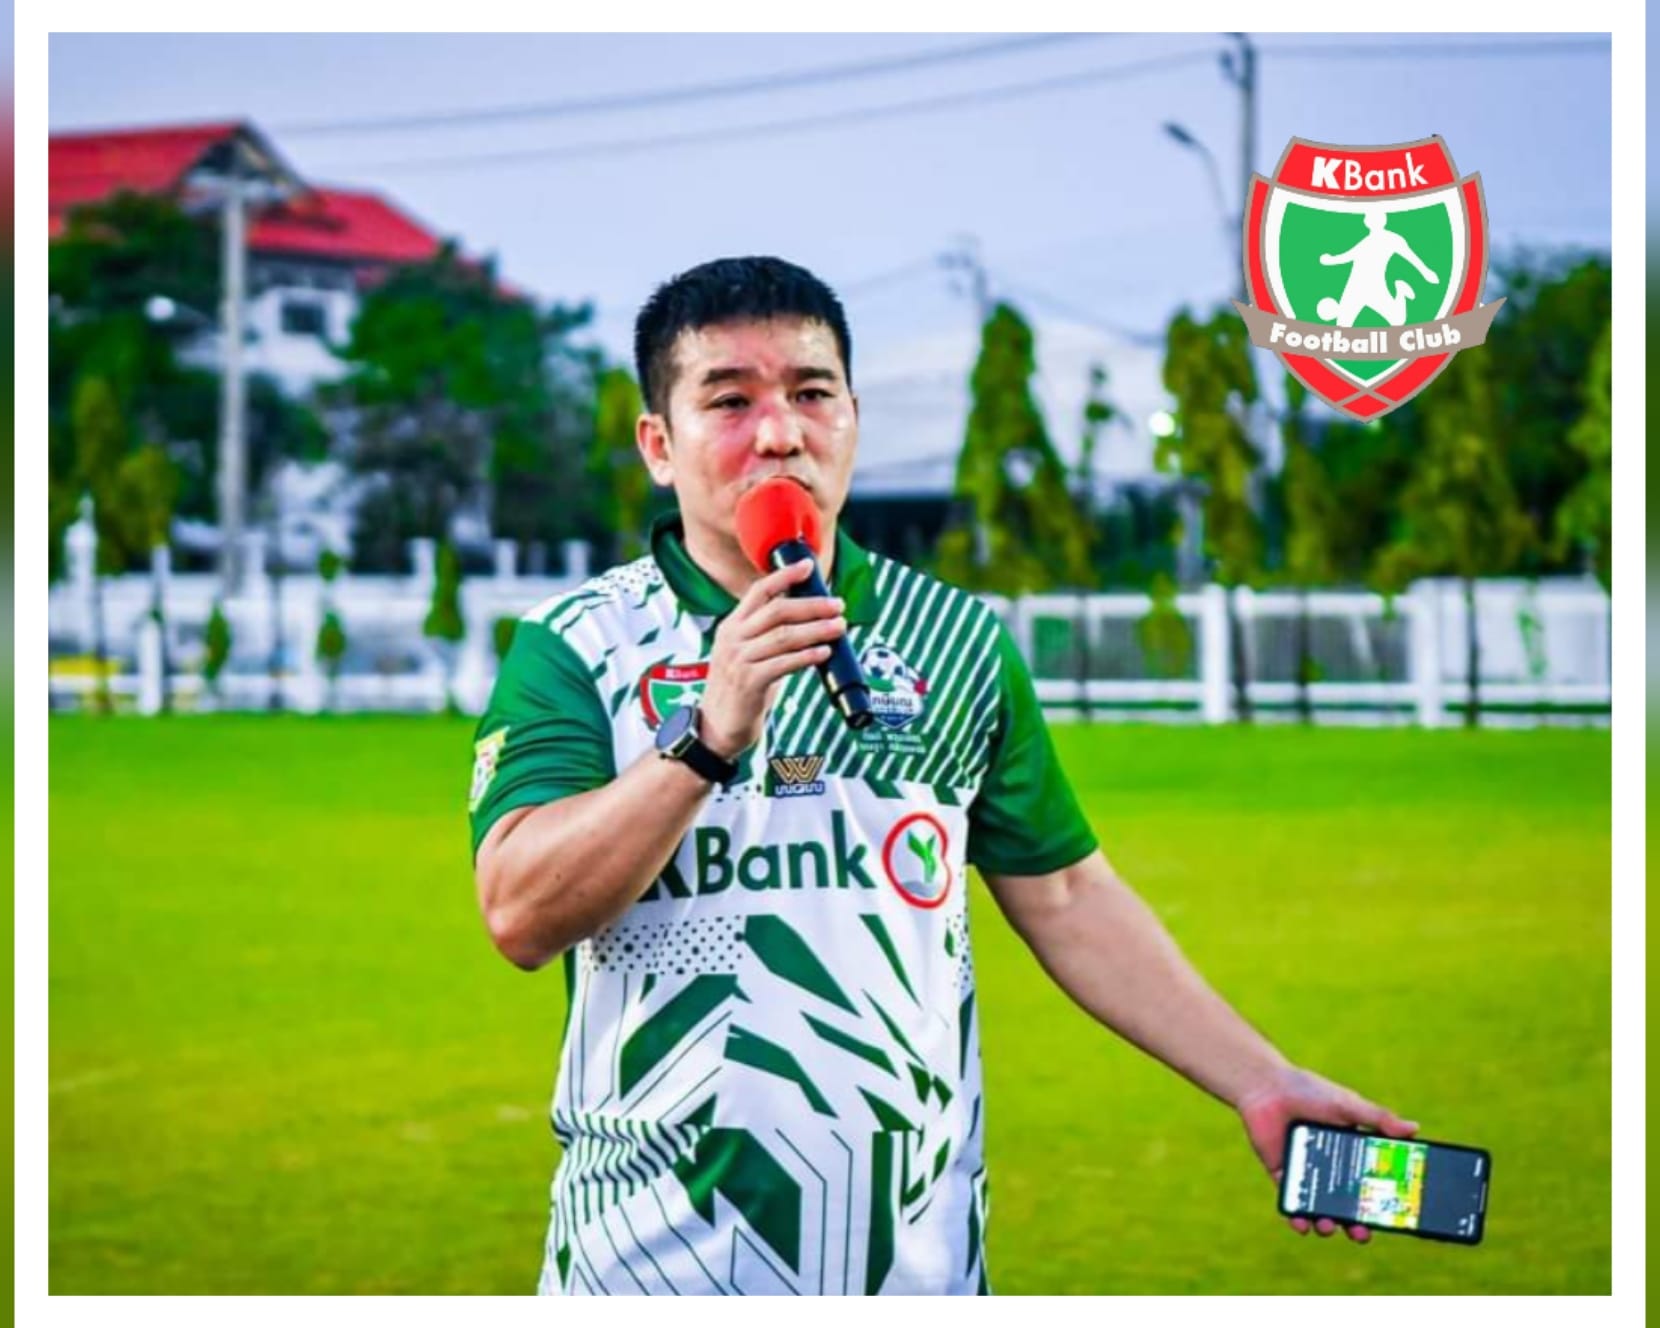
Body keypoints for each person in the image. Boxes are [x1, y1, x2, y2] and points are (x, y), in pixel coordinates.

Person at [469, 255, 1417, 1296]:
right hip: (646, 1272)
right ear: (659, 444)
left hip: (916, 1273)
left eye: (811, 393)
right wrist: (705, 736)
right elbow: (519, 910)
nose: (779, 433)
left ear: (852, 419)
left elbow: (1066, 894)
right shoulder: (579, 644)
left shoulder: (956, 639)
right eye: (729, 401)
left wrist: (1259, 1079)